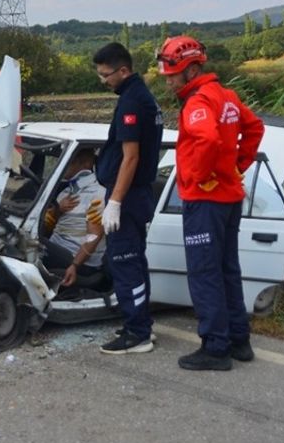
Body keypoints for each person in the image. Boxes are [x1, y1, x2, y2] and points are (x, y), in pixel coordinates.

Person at [157, 36, 264, 371]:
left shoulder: (198, 102)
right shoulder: (227, 96)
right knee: (228, 269)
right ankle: (239, 340)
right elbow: (255, 128)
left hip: (205, 200)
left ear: (190, 70)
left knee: (204, 272)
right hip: (229, 197)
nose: (169, 82)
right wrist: (237, 166)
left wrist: (199, 176)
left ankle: (216, 348)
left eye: (172, 75)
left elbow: (207, 138)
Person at [93, 42, 163, 355]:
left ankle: (137, 334)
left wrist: (115, 202)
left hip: (129, 194)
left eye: (106, 75)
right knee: (135, 261)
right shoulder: (142, 96)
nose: (103, 81)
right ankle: (141, 324)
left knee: (124, 262)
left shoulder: (131, 102)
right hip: (138, 193)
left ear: (123, 70)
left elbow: (130, 157)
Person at [40, 148, 106, 288]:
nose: (64, 167)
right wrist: (57, 210)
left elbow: (94, 236)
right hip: (58, 249)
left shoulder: (98, 194)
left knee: (33, 246)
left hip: (80, 261)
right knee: (28, 242)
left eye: (69, 162)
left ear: (86, 164)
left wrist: (75, 265)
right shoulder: (65, 192)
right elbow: (46, 229)